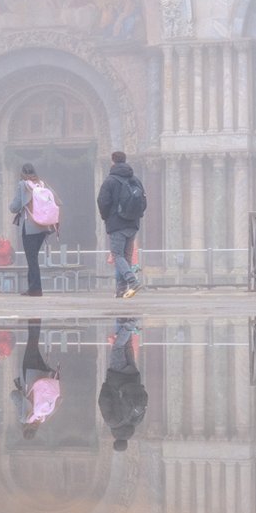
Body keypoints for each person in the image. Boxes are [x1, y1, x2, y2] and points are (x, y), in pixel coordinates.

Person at [97, 150, 145, 299]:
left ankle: (132, 281)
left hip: (117, 224)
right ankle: (121, 289)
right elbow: (143, 201)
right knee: (125, 257)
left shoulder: (110, 181)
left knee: (118, 255)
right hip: (133, 224)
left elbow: (102, 201)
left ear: (113, 161)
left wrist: (107, 217)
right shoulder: (135, 180)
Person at [99, 318, 149, 451]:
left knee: (127, 347)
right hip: (117, 378)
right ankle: (128, 326)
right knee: (118, 347)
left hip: (133, 377)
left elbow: (143, 402)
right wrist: (106, 385)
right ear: (115, 440)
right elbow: (104, 401)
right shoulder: (112, 421)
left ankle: (123, 320)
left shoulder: (136, 422)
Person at [10, 162, 54, 298]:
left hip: (30, 226)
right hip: (43, 226)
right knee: (33, 257)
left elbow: (15, 206)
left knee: (32, 259)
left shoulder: (23, 185)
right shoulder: (41, 183)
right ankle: (32, 287)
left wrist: (12, 206)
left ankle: (35, 289)